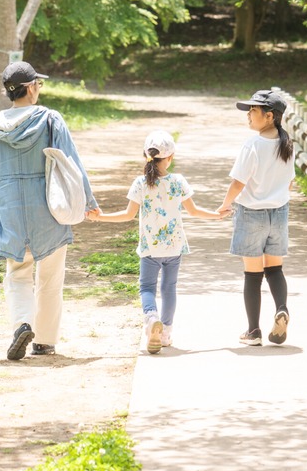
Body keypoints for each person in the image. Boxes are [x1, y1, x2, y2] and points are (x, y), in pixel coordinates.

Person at [0, 61, 97, 361]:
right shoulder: (49, 119)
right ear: (31, 87)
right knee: (50, 276)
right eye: (38, 84)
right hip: (48, 206)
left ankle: (22, 323)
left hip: (10, 208)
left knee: (17, 273)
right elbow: (70, 163)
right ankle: (44, 341)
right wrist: (88, 201)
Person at [89, 130, 220, 354]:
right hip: (175, 247)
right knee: (169, 288)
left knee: (147, 287)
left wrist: (99, 216)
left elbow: (128, 215)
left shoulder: (140, 183)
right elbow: (194, 211)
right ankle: (166, 332)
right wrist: (218, 214)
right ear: (170, 158)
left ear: (146, 156)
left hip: (150, 248)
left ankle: (151, 319)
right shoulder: (178, 181)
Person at [218, 89, 296, 347]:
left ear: (269, 116)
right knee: (274, 269)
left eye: (253, 111)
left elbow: (238, 183)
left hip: (251, 214)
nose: (249, 116)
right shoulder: (287, 144)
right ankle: (282, 308)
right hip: (280, 213)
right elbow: (290, 183)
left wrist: (225, 205)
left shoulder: (252, 145)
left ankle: (253, 332)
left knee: (253, 275)